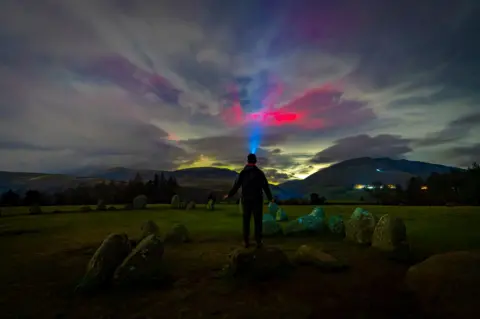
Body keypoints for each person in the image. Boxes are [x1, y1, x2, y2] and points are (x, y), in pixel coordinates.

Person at [224, 153, 274, 248]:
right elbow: (265, 186)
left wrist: (229, 195)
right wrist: (270, 198)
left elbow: (237, 185)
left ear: (247, 161)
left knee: (246, 220)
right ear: (255, 161)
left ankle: (246, 241)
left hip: (246, 200)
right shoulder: (260, 173)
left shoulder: (243, 173)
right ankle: (258, 241)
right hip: (257, 200)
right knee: (258, 221)